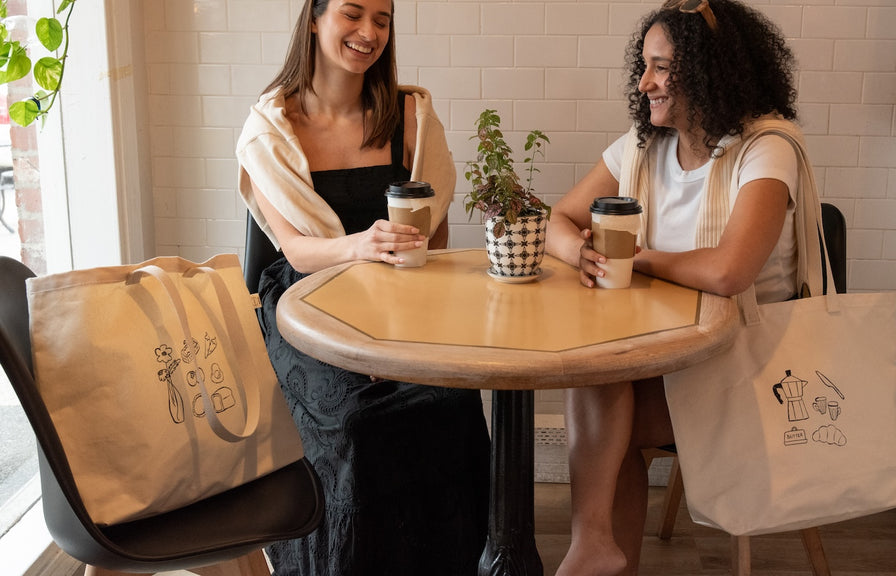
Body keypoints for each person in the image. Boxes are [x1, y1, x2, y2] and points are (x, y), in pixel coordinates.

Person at [544, 0, 814, 574]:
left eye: (661, 67)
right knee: (601, 373)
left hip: (754, 363)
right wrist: (582, 252)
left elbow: (728, 271)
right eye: (645, 66)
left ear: (708, 69)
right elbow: (556, 221)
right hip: (665, 349)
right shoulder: (644, 147)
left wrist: (638, 261)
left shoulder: (768, 147)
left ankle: (593, 546)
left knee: (601, 401)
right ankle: (595, 548)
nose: (644, 83)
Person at [235, 1, 490, 574]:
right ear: (317, 19)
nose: (369, 32)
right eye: (353, 14)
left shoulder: (411, 115)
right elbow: (296, 249)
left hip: (402, 294)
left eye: (383, 19)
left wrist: (400, 320)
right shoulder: (271, 128)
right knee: (359, 422)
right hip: (306, 300)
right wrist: (359, 247)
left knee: (451, 400)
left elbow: (436, 231)